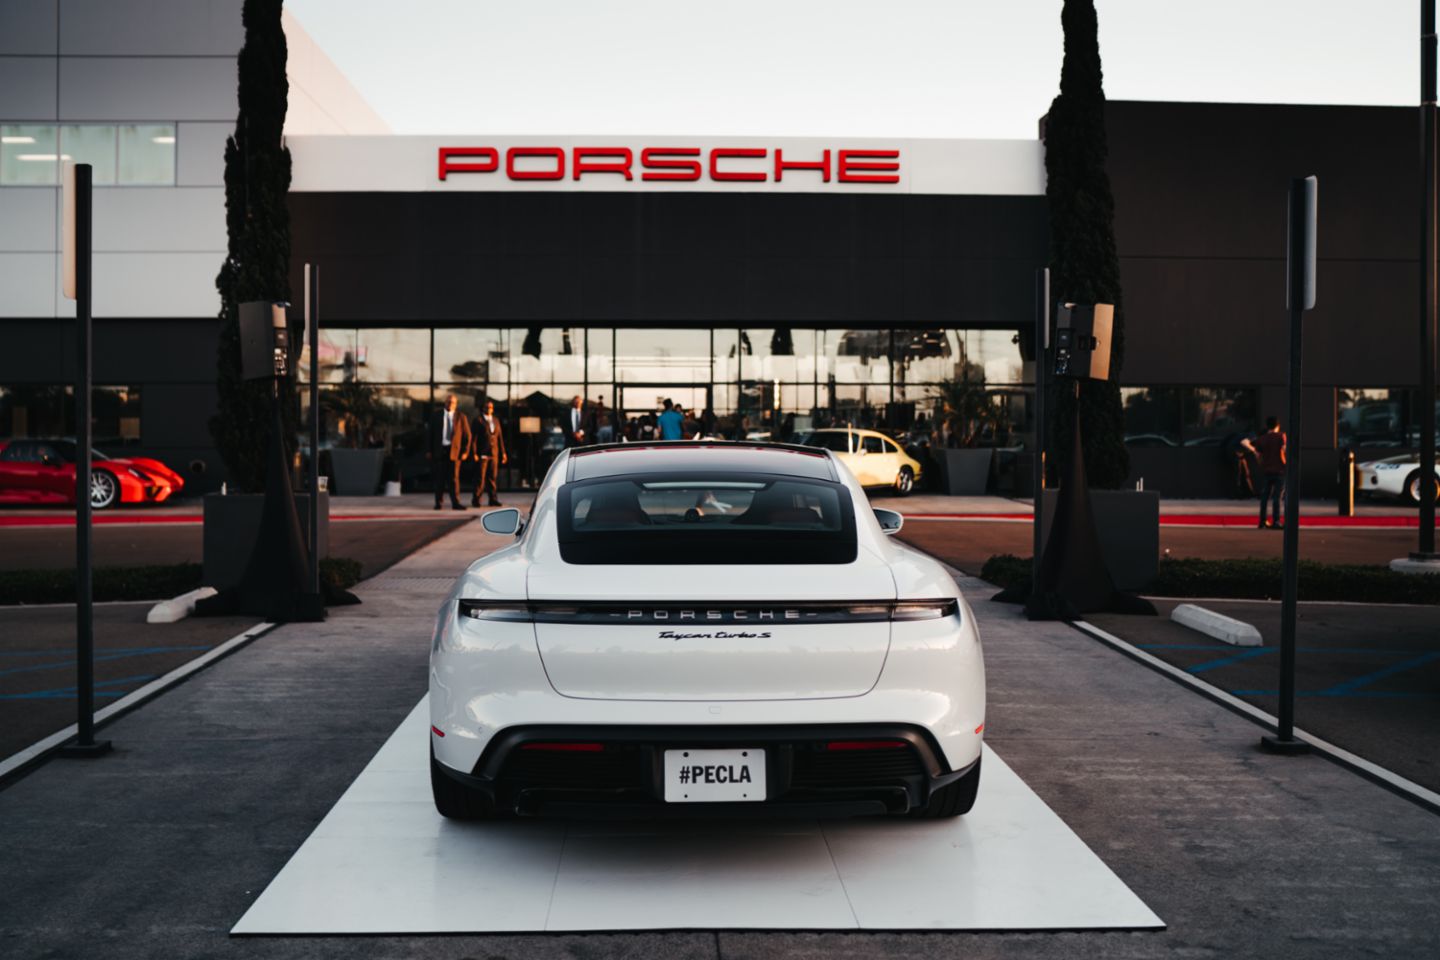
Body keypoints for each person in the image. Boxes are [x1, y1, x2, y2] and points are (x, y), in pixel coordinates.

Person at [428, 394, 472, 510]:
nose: (450, 404)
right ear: (445, 403)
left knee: (454, 479)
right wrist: (429, 450)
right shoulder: (436, 416)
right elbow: (429, 435)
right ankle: (438, 503)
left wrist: (465, 451)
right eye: (448, 402)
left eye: (452, 402)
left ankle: (456, 503)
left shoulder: (461, 417)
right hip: (440, 450)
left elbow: (467, 436)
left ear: (456, 404)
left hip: (455, 453)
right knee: (439, 479)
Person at [1243, 417, 1287, 529]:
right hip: (1279, 470)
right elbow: (1285, 449)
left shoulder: (1262, 438)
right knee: (1277, 497)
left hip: (1267, 471)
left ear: (1267, 426)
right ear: (1277, 426)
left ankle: (1262, 521)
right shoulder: (1281, 436)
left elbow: (1250, 448)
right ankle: (1276, 521)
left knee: (1265, 497)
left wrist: (1258, 457)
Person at [471, 399, 507, 507]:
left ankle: (493, 499)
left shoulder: (495, 420)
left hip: (494, 453)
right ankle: (476, 500)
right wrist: (474, 453)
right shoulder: (478, 420)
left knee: (492, 478)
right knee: (480, 479)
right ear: (483, 408)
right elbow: (474, 439)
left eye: (491, 407)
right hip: (482, 453)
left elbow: (499, 438)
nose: (489, 409)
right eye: (487, 407)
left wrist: (503, 453)